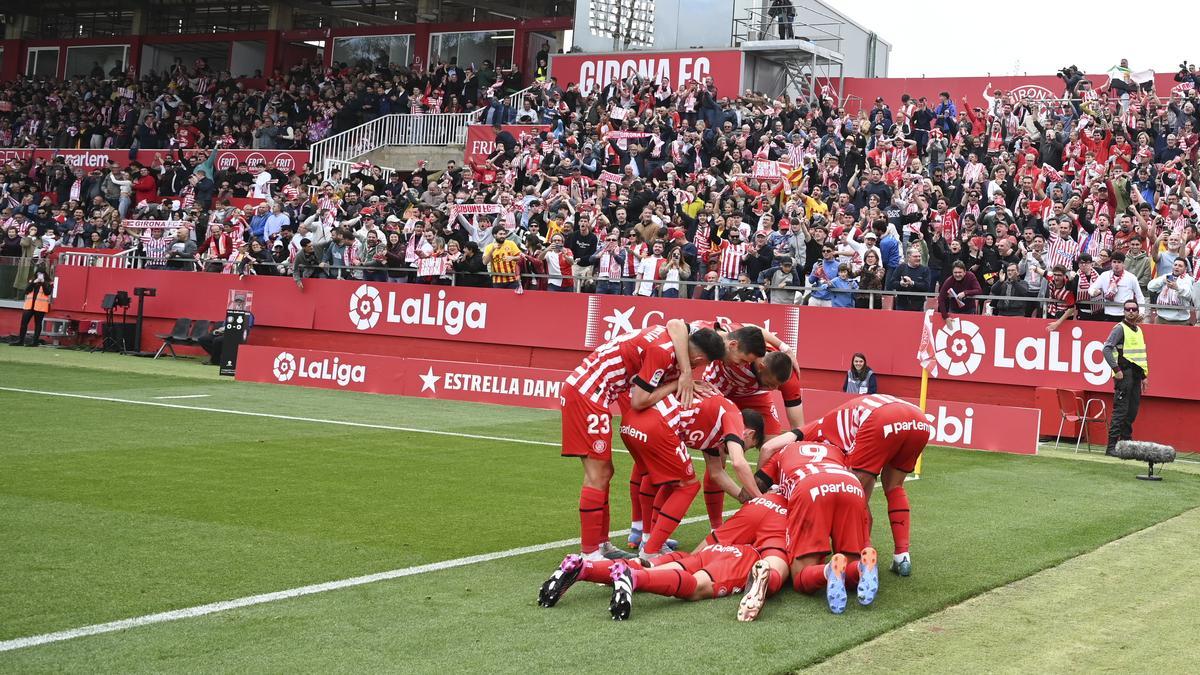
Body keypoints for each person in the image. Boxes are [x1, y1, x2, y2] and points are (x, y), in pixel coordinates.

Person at [561, 322, 725, 562]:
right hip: (589, 393)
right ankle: (589, 554)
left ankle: (601, 544)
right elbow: (639, 401)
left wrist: (684, 376)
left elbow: (676, 323)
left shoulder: (676, 340)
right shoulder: (663, 352)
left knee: (605, 472)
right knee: (598, 474)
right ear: (699, 358)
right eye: (703, 364)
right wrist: (677, 383)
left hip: (595, 392)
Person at [766, 393, 931, 577]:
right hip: (919, 420)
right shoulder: (833, 423)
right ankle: (902, 556)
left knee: (854, 492)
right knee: (894, 486)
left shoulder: (817, 433)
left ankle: (865, 554)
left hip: (880, 417)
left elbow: (770, 447)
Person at [618, 393, 764, 564]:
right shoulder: (733, 417)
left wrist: (743, 497)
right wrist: (760, 499)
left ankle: (650, 539)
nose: (743, 449)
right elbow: (739, 462)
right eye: (748, 446)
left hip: (631, 424)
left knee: (673, 480)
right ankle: (650, 550)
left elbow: (716, 472)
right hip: (655, 426)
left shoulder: (716, 427)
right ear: (749, 434)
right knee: (688, 486)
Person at [753, 440, 879, 615]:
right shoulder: (836, 449)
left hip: (809, 485)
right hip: (851, 485)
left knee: (800, 575)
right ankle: (861, 568)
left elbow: (758, 483)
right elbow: (867, 473)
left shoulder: (784, 450)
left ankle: (829, 570)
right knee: (851, 564)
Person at [1102, 300, 1149, 456]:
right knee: (1121, 412)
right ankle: (1111, 447)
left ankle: (1126, 445)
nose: (1130, 311)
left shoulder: (1138, 330)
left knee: (1132, 412)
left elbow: (1139, 356)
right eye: (1128, 309)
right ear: (1124, 311)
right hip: (1124, 374)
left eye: (1133, 309)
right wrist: (1116, 370)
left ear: (1137, 311)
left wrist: (1144, 376)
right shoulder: (1119, 329)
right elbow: (1106, 349)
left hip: (1135, 375)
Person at [1088, 251, 1145, 321]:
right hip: (1108, 313)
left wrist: (1142, 311)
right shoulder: (1104, 275)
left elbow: (1139, 296)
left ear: (1124, 264)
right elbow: (1091, 289)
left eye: (1119, 262)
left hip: (1125, 314)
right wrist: (1094, 292)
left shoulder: (1131, 277)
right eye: (1114, 262)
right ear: (1111, 263)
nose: (1116, 265)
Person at [1146, 259, 1193, 325]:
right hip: (1161, 318)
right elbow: (1150, 287)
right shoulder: (1167, 276)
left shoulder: (1187, 279)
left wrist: (1177, 288)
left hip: (1180, 321)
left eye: (1180, 266)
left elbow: (1189, 295)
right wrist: (1162, 280)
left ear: (1185, 268)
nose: (1177, 267)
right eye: (1175, 265)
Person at [13, 267, 52, 347]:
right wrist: (34, 282)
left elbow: (47, 292)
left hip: (40, 307)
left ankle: (35, 342)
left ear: (44, 274)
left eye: (41, 274)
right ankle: (21, 341)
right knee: (24, 323)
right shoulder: (32, 281)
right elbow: (26, 291)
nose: (39, 276)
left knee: (38, 324)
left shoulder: (48, 282)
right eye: (38, 274)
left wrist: (43, 282)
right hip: (29, 306)